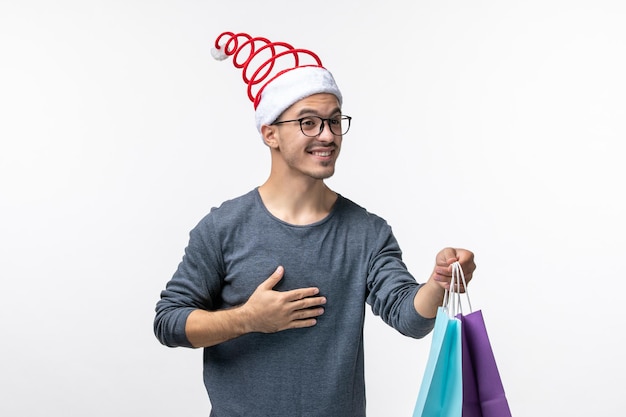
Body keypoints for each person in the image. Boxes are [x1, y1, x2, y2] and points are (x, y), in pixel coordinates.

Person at [154, 31, 476, 417]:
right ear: (269, 133)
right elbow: (169, 322)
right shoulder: (224, 227)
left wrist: (439, 283)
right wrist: (248, 319)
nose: (327, 135)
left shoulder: (367, 232)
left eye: (334, 121)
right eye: (308, 122)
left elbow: (409, 318)